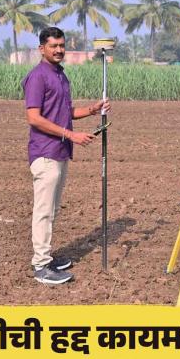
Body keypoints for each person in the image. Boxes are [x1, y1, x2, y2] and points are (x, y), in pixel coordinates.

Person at [22, 27, 111, 284]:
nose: (59, 50)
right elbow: (34, 117)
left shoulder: (60, 75)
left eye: (62, 45)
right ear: (42, 49)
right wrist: (72, 136)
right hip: (45, 152)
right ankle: (41, 266)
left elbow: (64, 111)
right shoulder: (38, 77)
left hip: (60, 152)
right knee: (43, 211)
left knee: (53, 209)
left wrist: (92, 110)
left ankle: (47, 257)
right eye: (54, 46)